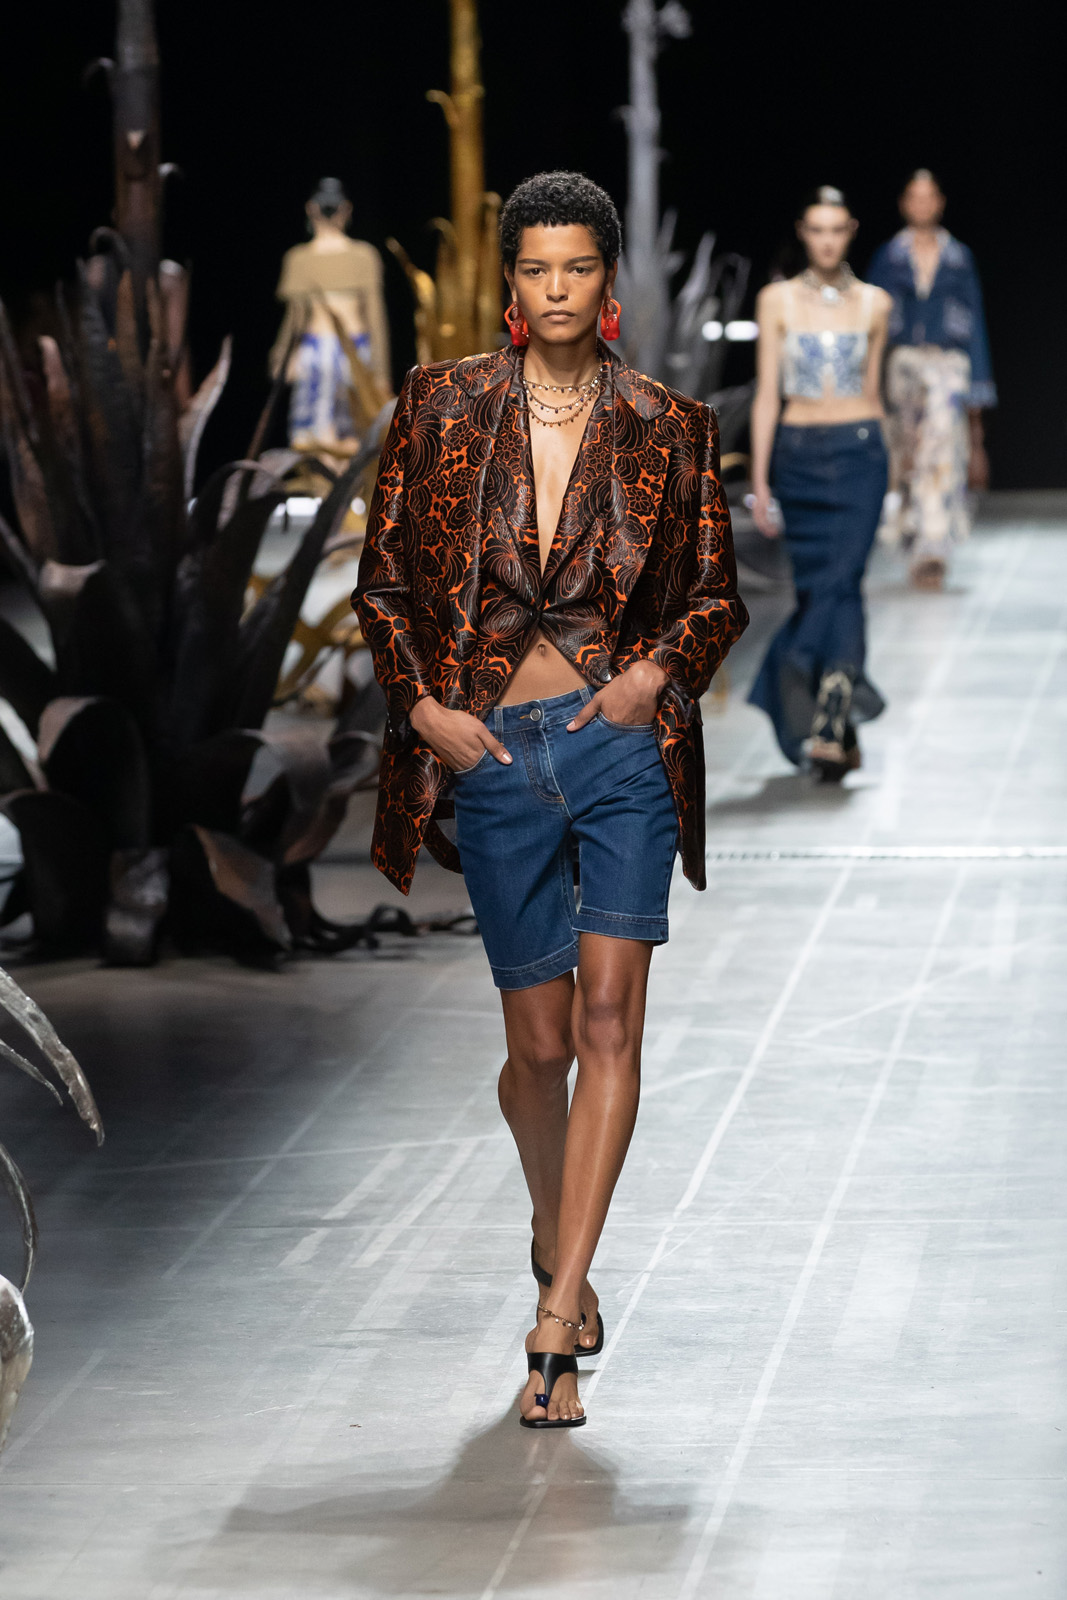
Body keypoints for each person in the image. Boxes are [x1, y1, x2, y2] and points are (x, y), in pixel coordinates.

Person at [354, 171, 747, 1429]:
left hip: (614, 749)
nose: (557, 288)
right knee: (537, 1049)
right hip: (489, 752)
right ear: (510, 282)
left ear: (607, 280)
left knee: (608, 1023)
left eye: (577, 266)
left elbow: (714, 595)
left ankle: (558, 1311)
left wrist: (648, 677)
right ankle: (551, 1228)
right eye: (536, 268)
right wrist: (422, 709)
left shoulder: (667, 424)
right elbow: (381, 584)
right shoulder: (441, 405)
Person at [748, 186, 892, 781]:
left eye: (837, 230)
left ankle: (818, 699)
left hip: (860, 455)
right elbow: (767, 395)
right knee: (824, 590)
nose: (827, 241)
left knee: (842, 579)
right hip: (799, 456)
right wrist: (760, 479)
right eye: (817, 230)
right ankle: (838, 717)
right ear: (803, 233)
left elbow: (875, 394)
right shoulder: (776, 300)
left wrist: (895, 479)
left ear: (850, 231)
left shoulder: (876, 303)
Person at [867, 169, 996, 590]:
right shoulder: (889, 256)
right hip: (901, 365)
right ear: (904, 203)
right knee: (906, 453)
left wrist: (978, 401)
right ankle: (914, 538)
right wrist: (868, 384)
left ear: (939, 202)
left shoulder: (958, 257)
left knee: (941, 450)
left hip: (947, 365)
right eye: (914, 196)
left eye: (929, 196)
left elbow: (974, 322)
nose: (922, 204)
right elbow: (872, 320)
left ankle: (934, 545)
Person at [270, 177, 390, 449]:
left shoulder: (299, 258)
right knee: (352, 438)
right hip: (354, 354)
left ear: (311, 209)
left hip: (316, 355)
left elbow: (295, 320)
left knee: (316, 438)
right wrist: (381, 371)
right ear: (346, 209)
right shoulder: (364, 255)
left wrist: (281, 357)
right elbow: (375, 318)